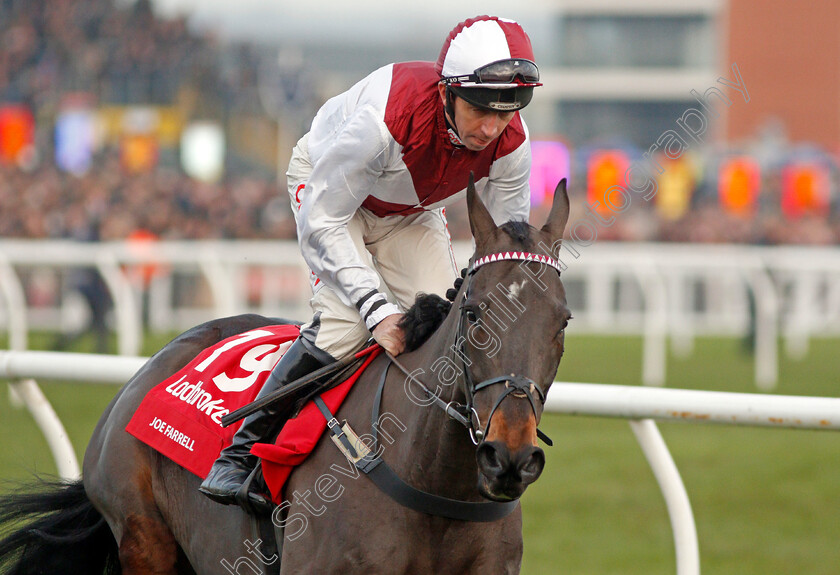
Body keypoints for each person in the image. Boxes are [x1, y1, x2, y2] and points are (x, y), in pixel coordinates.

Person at [199, 15, 543, 506]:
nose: (491, 128)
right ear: (447, 91)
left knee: (449, 327)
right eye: (479, 109)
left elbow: (506, 246)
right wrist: (377, 310)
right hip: (331, 197)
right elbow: (324, 218)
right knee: (346, 327)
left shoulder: (512, 143)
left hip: (408, 211)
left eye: (505, 113)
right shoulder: (387, 120)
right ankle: (239, 454)